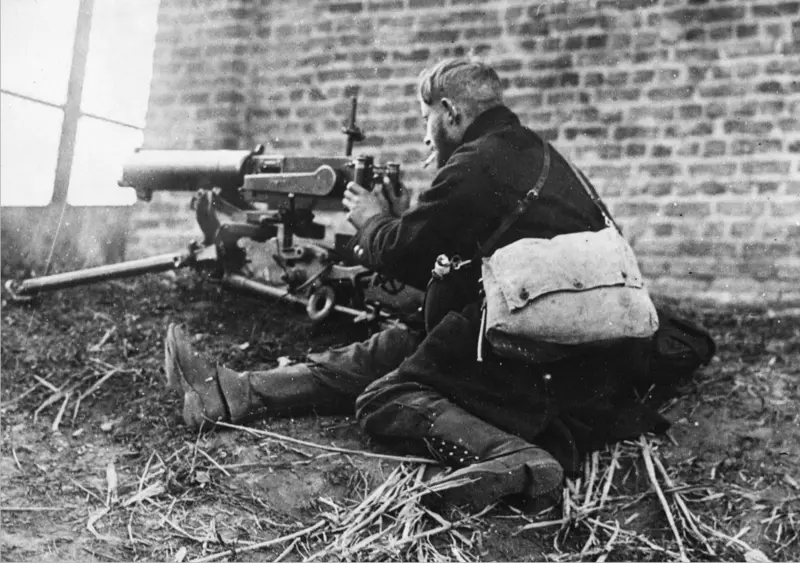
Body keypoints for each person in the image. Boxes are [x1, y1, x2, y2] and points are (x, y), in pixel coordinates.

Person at [163, 58, 670, 510]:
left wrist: (372, 220)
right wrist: (402, 219)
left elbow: (404, 254)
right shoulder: (537, 154)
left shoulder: (477, 162)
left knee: (386, 396)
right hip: (588, 344)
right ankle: (236, 393)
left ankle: (514, 456)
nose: (426, 137)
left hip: (548, 357)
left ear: (450, 112)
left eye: (427, 121)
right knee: (400, 345)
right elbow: (456, 244)